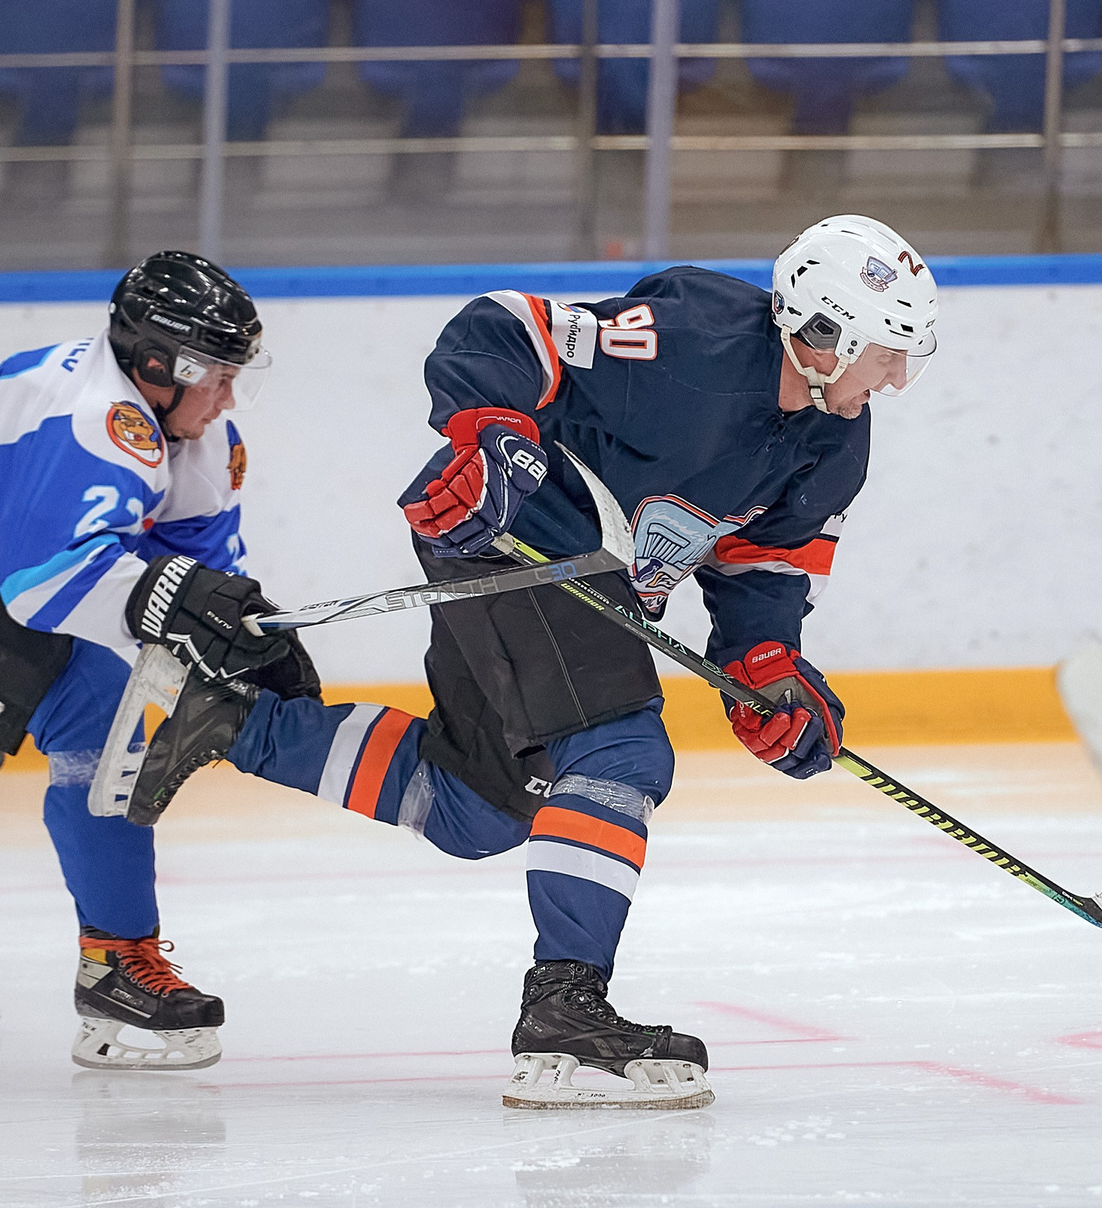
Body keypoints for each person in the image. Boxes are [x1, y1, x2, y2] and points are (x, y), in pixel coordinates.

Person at [122, 214, 940, 1109]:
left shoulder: (835, 442)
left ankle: (236, 723)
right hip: (512, 525)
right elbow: (505, 327)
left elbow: (763, 573)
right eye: (887, 351)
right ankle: (566, 1010)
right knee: (619, 751)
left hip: (595, 580)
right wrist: (494, 436)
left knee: (478, 803)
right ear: (821, 337)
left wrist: (772, 667)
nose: (897, 376)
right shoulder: (695, 335)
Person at [0, 250, 315, 1072]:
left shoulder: (194, 432)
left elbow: (194, 566)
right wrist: (185, 612)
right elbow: (44, 590)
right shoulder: (84, 423)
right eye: (215, 374)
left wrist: (240, 636)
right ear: (158, 365)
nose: (227, 397)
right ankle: (117, 964)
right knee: (97, 708)